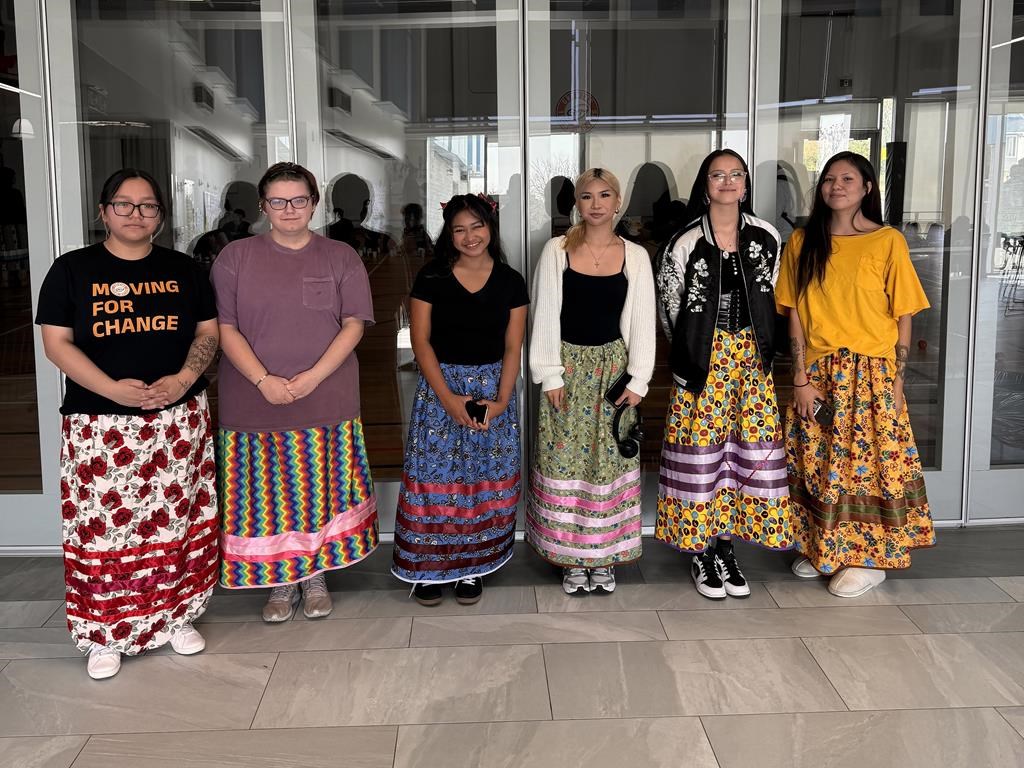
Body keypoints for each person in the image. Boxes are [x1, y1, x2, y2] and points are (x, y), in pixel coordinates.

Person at [35, 168, 219, 680]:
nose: (136, 214)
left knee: (176, 518)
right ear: (103, 212)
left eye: (147, 206)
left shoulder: (184, 270)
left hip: (178, 417)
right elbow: (56, 343)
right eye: (124, 204)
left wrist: (184, 378)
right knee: (105, 528)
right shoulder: (72, 270)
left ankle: (176, 617)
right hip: (100, 423)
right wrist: (111, 388)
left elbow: (207, 332)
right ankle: (103, 633)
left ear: (160, 216)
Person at [211, 162, 378, 621]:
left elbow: (352, 326)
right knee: (268, 496)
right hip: (253, 401)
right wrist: (264, 380)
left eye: (299, 200)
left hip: (326, 397)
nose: (289, 209)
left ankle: (316, 574)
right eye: (278, 201)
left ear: (314, 204)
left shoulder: (341, 256)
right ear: (263, 207)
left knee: (320, 491)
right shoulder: (236, 258)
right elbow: (224, 328)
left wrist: (312, 378)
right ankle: (280, 585)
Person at [776, 151, 934, 597]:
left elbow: (903, 314)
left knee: (868, 466)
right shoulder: (802, 242)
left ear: (867, 188)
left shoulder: (887, 241)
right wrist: (800, 379)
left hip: (871, 372)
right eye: (829, 179)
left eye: (847, 178)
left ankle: (870, 558)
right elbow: (795, 316)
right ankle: (823, 547)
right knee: (819, 461)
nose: (836, 186)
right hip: (820, 372)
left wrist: (897, 381)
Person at [654, 150, 793, 600]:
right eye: (718, 175)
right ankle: (701, 550)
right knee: (702, 454)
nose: (728, 182)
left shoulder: (768, 236)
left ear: (746, 184)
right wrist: (695, 350)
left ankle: (727, 545)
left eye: (736, 174)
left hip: (753, 361)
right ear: (705, 184)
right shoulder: (685, 240)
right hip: (702, 362)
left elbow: (774, 297)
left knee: (744, 454)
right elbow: (670, 307)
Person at [392, 193, 528, 605]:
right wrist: (449, 399)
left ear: (490, 228)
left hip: (493, 389)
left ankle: (474, 566)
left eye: (477, 226)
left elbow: (512, 347)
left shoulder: (510, 280)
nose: (470, 236)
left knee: (482, 480)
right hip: (440, 390)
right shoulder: (431, 277)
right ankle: (430, 569)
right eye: (460, 229)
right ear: (448, 234)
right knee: (435, 481)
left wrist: (503, 401)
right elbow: (421, 341)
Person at [527, 167, 657, 595]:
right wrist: (549, 374)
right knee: (566, 462)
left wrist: (638, 378)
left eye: (605, 195)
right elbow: (544, 314)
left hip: (613, 371)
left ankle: (604, 556)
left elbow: (642, 322)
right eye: (587, 196)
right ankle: (571, 557)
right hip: (568, 369)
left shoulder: (635, 255)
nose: (596, 204)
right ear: (576, 204)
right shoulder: (557, 249)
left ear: (618, 202)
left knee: (609, 464)